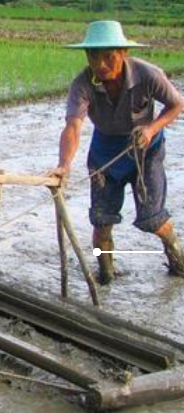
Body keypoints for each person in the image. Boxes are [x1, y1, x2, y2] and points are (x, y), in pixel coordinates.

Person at [50, 20, 184, 284]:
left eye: (108, 57)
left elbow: (176, 105)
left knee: (152, 219)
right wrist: (64, 165)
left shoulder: (148, 75)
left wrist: (150, 129)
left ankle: (177, 257)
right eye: (93, 56)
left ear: (123, 54)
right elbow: (73, 127)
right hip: (104, 151)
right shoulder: (82, 85)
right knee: (101, 221)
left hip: (146, 150)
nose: (100, 65)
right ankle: (106, 274)